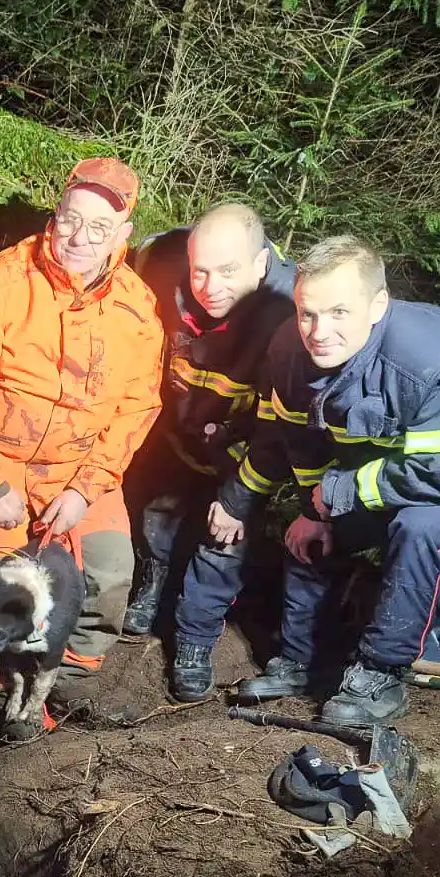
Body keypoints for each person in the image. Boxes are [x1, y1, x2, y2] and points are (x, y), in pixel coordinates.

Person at [207, 236, 440, 723]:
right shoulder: (290, 349)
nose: (319, 332)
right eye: (308, 314)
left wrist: (343, 491)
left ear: (378, 305)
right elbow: (301, 442)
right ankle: (300, 662)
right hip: (424, 457)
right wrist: (315, 509)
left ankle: (381, 675)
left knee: (422, 527)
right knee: (313, 532)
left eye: (339, 313)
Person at [0, 156, 165, 696]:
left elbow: (137, 408)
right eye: (71, 219)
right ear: (56, 214)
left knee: (109, 573)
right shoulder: (0, 282)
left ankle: (67, 682)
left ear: (123, 234)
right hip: (2, 463)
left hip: (83, 469)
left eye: (100, 227)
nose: (80, 237)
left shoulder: (137, 308)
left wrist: (86, 489)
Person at [123, 204, 297, 670]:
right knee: (158, 507)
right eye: (199, 271)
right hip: (179, 424)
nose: (210, 286)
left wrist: (239, 497)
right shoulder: (158, 262)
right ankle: (154, 581)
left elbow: (281, 427)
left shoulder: (292, 318)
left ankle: (196, 635)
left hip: (245, 447)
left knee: (225, 537)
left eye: (228, 271)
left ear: (260, 264)